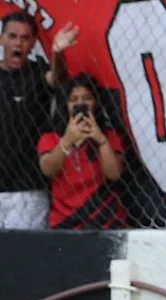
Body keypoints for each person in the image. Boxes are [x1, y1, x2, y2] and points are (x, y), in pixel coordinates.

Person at [0, 12, 79, 230]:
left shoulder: (37, 73)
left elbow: (57, 77)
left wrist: (58, 52)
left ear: (33, 43)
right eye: (12, 36)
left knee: (24, 250)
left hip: (28, 190)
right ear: (2, 38)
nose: (18, 43)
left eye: (25, 38)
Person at [37, 74, 126, 230]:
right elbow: (48, 170)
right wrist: (67, 140)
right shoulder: (51, 138)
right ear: (65, 104)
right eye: (73, 99)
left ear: (96, 102)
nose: (80, 103)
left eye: (87, 98)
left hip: (104, 220)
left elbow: (114, 174)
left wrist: (101, 140)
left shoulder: (110, 135)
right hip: (65, 220)